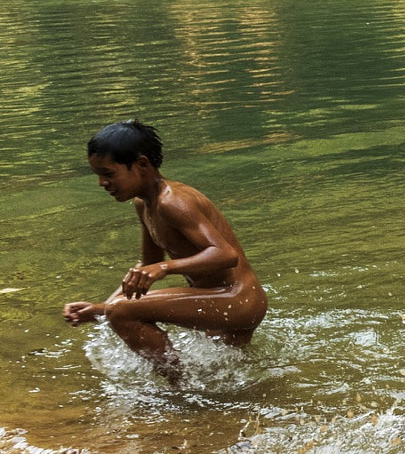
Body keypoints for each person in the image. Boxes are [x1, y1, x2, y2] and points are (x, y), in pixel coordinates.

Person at [61, 119, 267, 380]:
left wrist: (164, 268)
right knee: (226, 378)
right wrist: (101, 307)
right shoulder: (143, 204)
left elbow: (226, 255)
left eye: (109, 174)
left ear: (142, 164)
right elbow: (147, 266)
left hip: (236, 299)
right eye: (98, 175)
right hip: (221, 299)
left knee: (121, 312)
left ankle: (178, 384)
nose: (102, 182)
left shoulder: (172, 201)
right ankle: (204, 403)